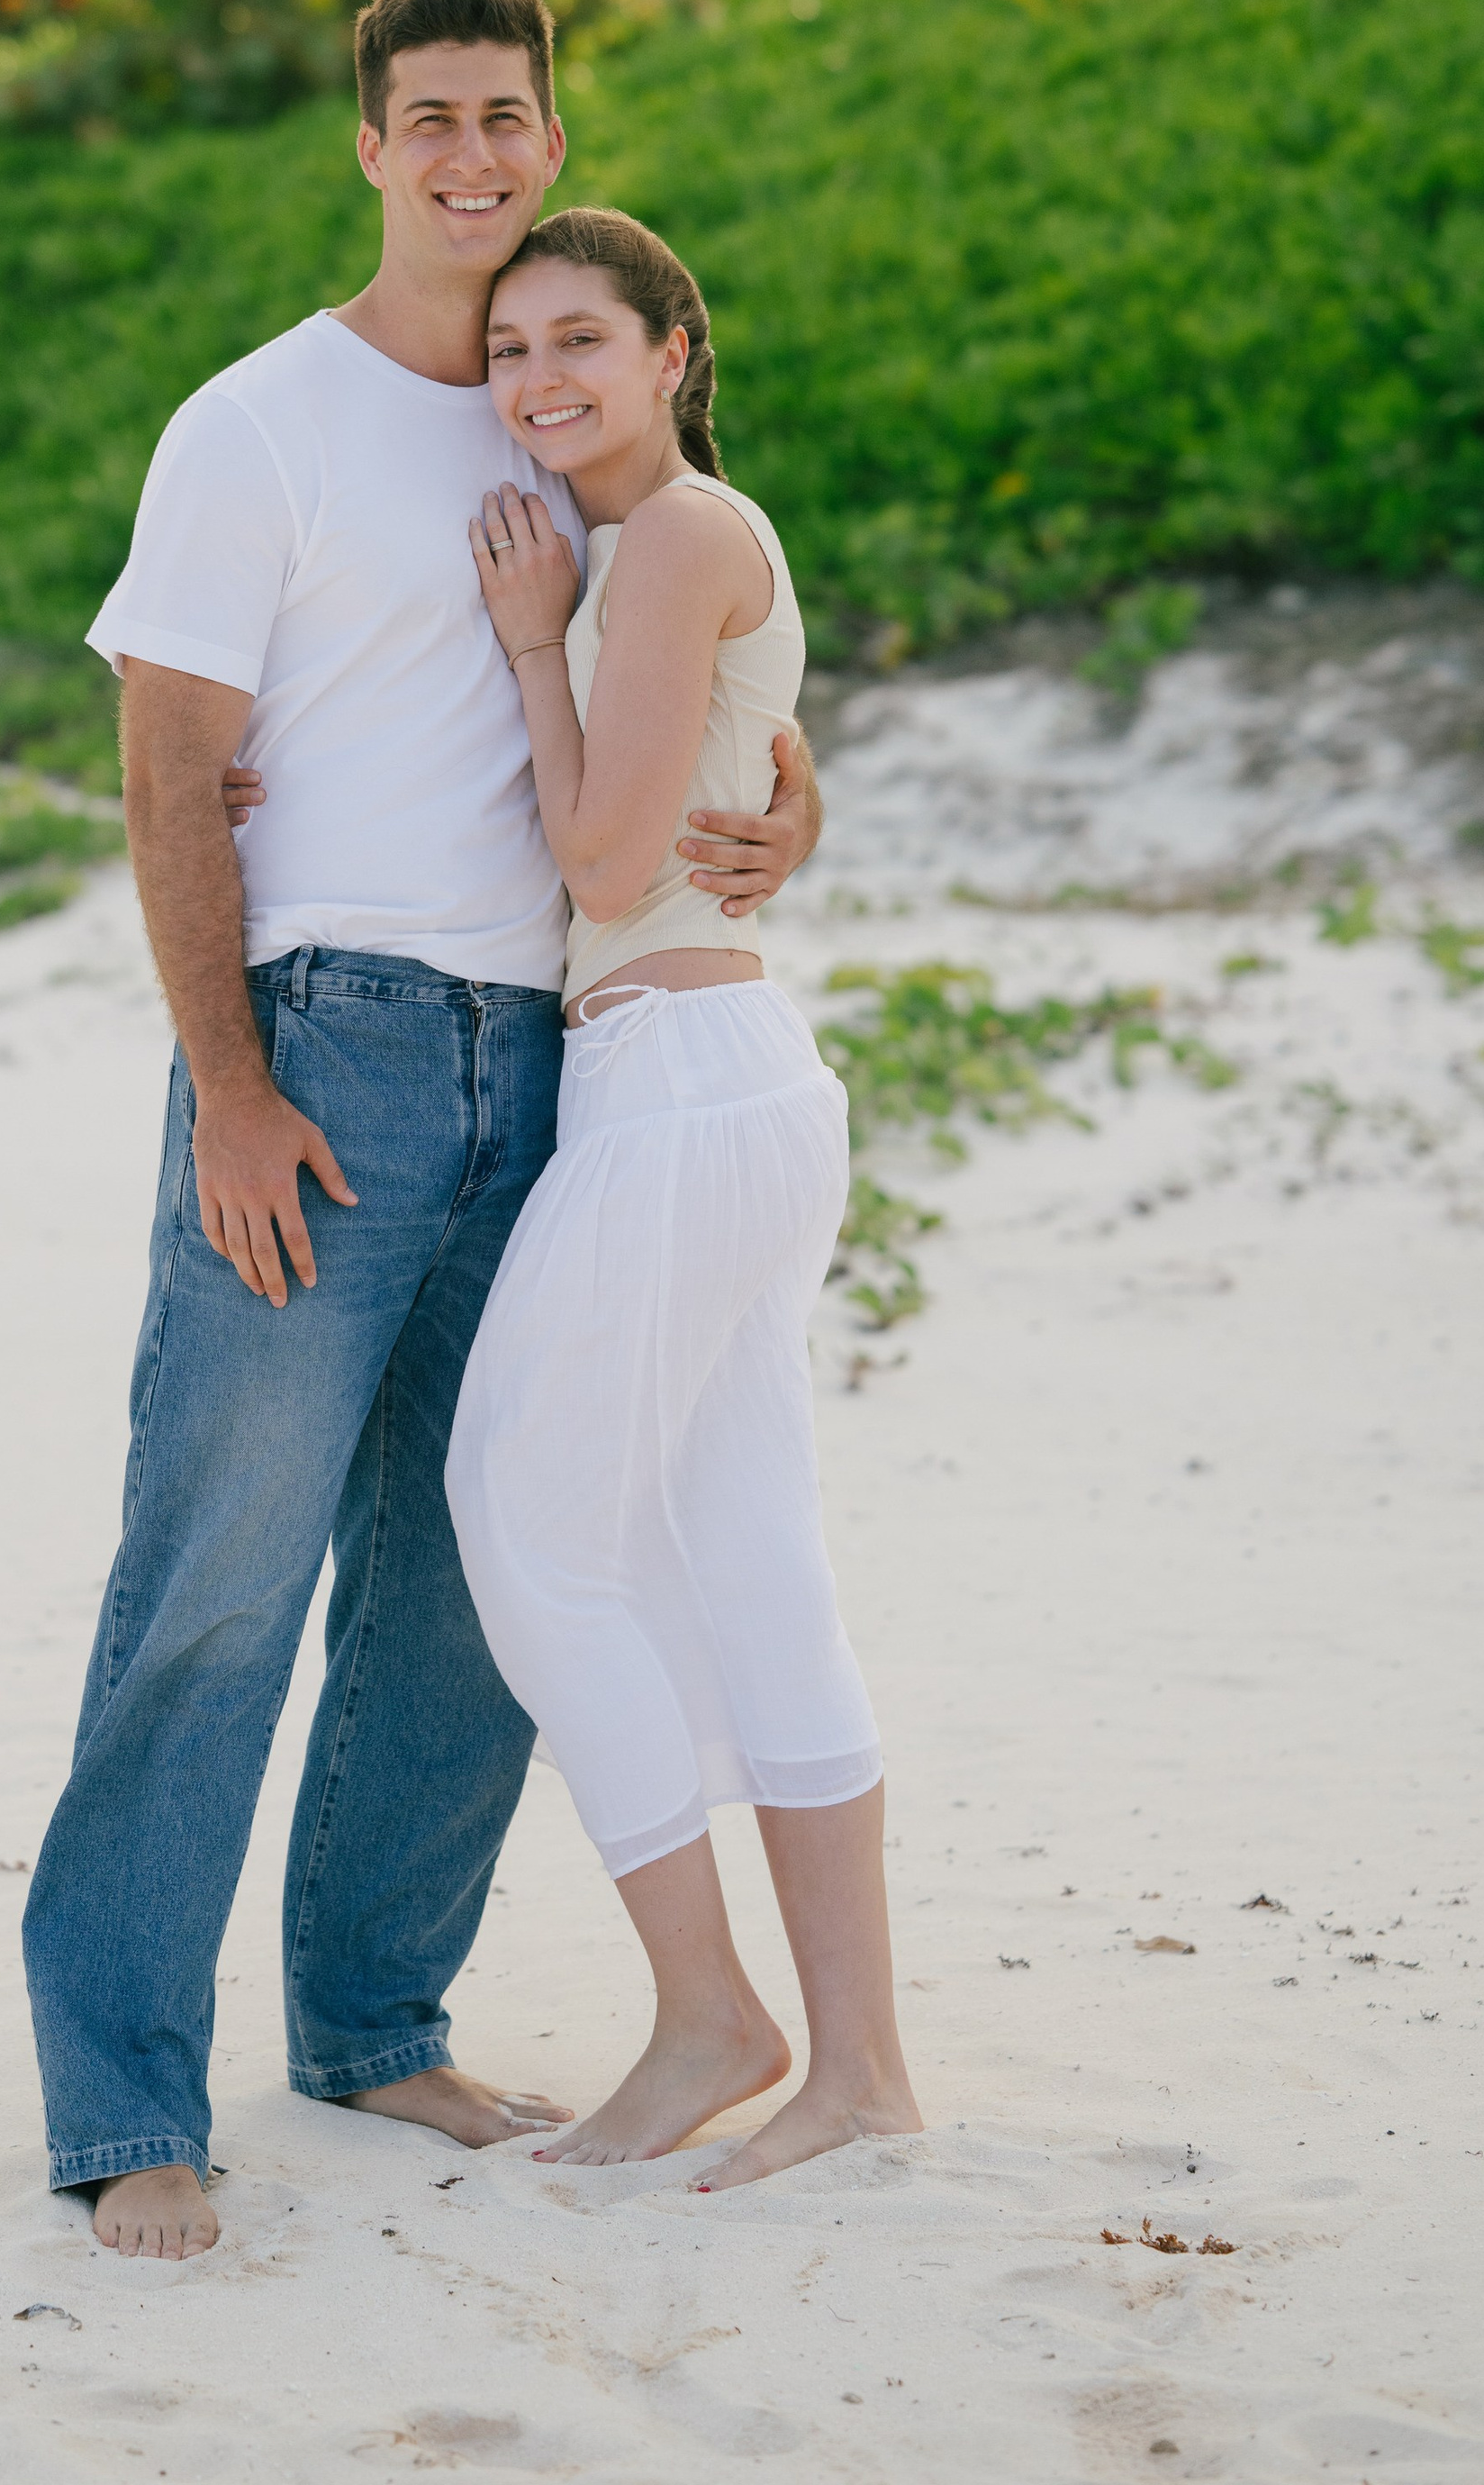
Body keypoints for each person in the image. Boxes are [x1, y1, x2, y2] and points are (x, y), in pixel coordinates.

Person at [20, 0, 823, 2262]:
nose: (471, 153)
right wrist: (229, 1086)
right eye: (429, 118)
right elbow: (169, 766)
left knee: (468, 1570)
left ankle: (373, 2018)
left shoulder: (558, 404)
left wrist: (796, 807)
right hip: (328, 1042)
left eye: (504, 114)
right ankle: (124, 2098)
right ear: (368, 147)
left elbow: (708, 653)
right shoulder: (254, 425)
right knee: (218, 1576)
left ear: (547, 139)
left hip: (553, 1057)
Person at [445, 204, 921, 2188]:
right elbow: (724, 777)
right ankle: (859, 2073)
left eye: (580, 337)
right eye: (509, 348)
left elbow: (602, 852)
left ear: (671, 351)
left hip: (678, 1083)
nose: (538, 376)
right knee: (750, 1556)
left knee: (519, 1517)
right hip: (707, 1079)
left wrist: (525, 645)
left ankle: (715, 2014)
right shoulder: (671, 545)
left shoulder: (668, 543)